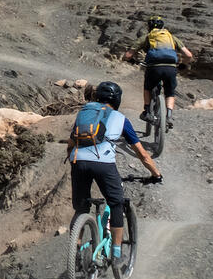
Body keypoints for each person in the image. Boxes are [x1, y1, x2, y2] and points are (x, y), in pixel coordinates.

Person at [66, 82, 162, 248]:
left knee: (81, 209)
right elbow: (143, 155)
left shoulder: (85, 113)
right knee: (116, 203)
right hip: (104, 164)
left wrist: (76, 161)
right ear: (117, 99)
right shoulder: (120, 119)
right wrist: (156, 174)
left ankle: (75, 251)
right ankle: (116, 252)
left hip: (78, 161)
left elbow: (70, 144)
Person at [124, 15, 195, 124]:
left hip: (154, 68)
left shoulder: (147, 37)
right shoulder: (171, 37)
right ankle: (169, 116)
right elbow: (189, 55)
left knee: (147, 88)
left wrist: (131, 60)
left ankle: (147, 111)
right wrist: (183, 65)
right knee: (170, 92)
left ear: (149, 27)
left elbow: (128, 55)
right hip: (170, 67)